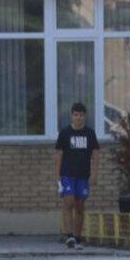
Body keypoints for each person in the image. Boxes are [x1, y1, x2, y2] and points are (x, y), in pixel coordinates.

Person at [55, 102, 99, 250]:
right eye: (76, 115)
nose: (78, 118)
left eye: (81, 115)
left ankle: (78, 238)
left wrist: (94, 174)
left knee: (80, 206)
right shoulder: (65, 133)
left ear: (84, 116)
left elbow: (95, 154)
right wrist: (57, 176)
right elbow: (59, 154)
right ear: (72, 116)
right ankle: (69, 237)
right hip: (67, 174)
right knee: (69, 202)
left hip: (83, 175)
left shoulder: (90, 133)